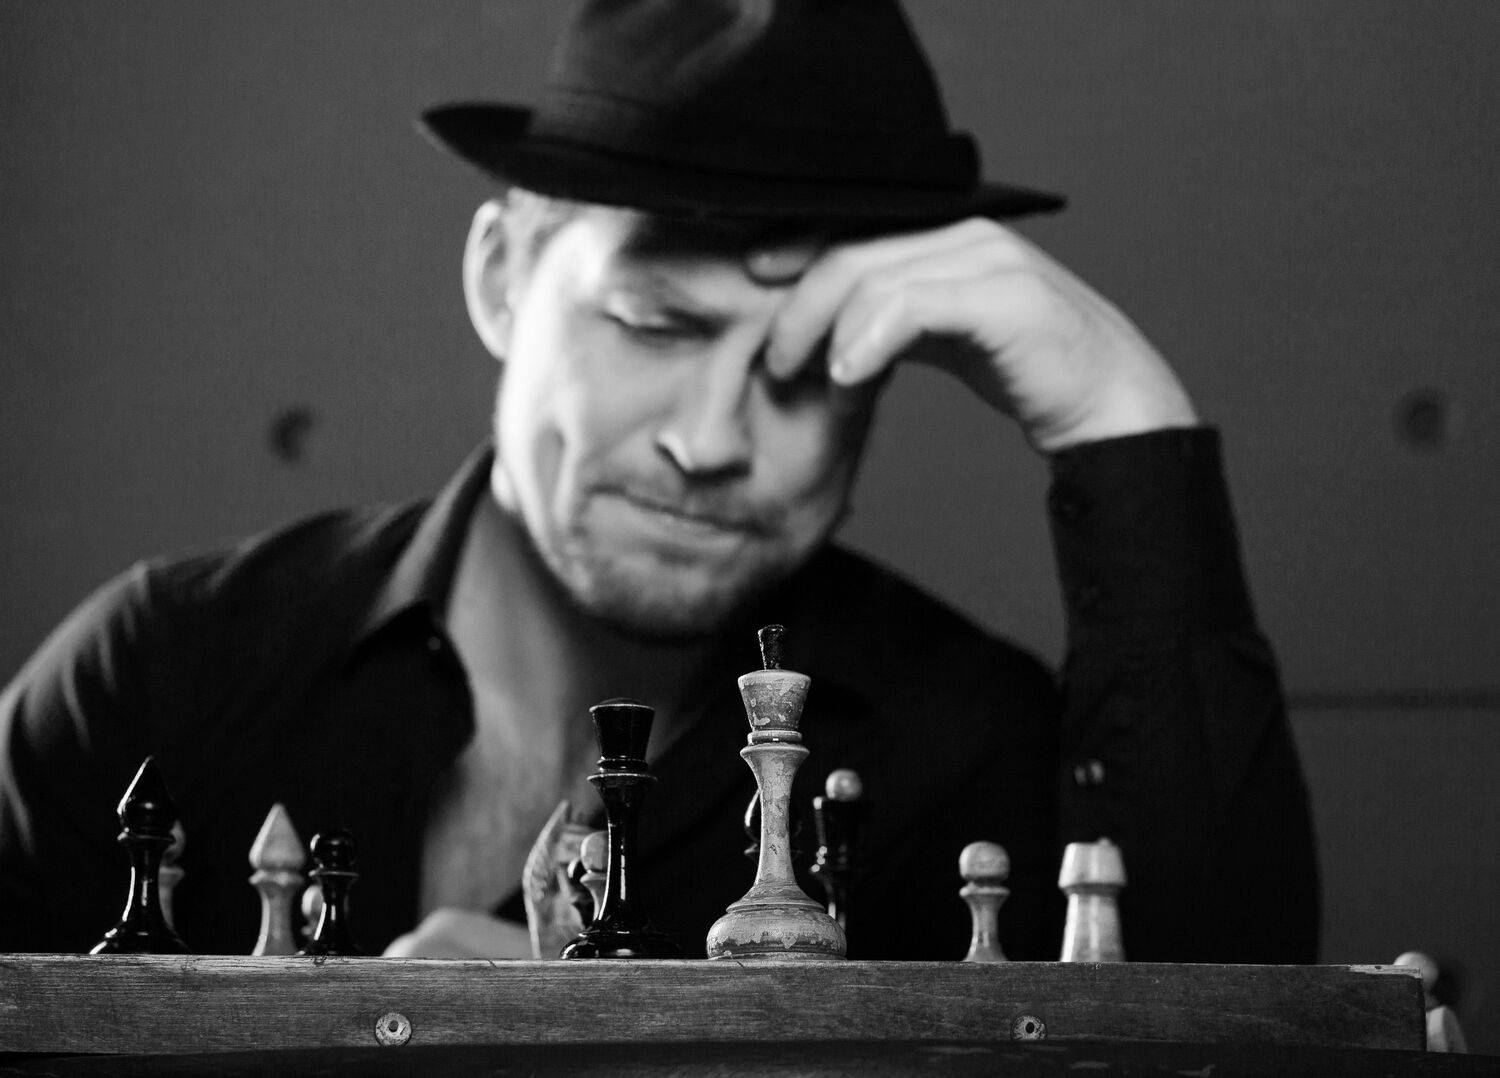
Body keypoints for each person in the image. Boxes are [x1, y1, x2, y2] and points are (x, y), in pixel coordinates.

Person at [0, 0, 1317, 962]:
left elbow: (1227, 1042)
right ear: (503, 278)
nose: (712, 438)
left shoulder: (969, 749)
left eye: (814, 365)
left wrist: (1117, 411)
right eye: (656, 325)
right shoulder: (158, 676)